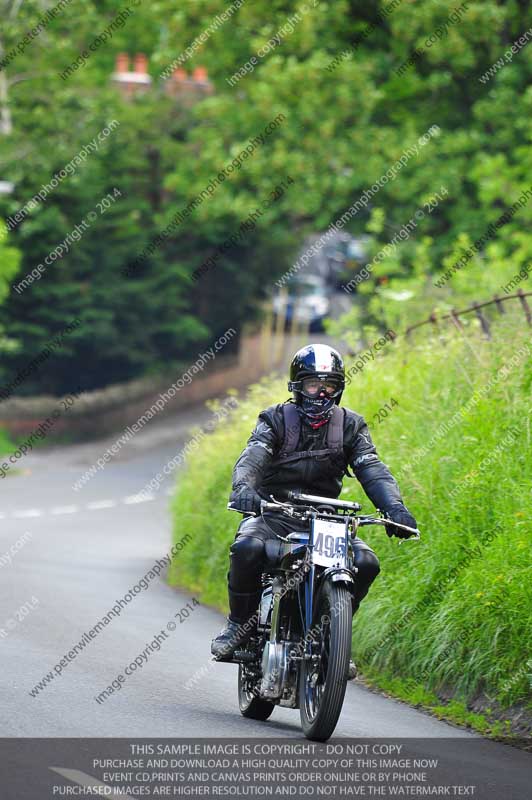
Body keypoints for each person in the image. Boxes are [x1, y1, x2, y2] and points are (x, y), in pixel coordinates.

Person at [211, 343, 417, 659]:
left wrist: (395, 507)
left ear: (339, 389)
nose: (321, 394)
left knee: (366, 562)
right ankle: (239, 626)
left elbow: (371, 468)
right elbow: (252, 457)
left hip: (327, 519)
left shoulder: (351, 425)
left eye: (329, 386)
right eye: (313, 385)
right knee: (246, 549)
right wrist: (244, 490)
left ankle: (334, 638)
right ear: (297, 386)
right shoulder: (274, 419)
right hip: (274, 512)